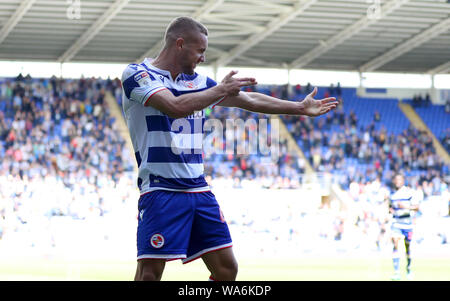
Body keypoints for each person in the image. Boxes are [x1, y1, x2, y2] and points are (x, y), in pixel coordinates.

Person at [120, 16, 339, 281]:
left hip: (198, 189)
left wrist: (298, 108)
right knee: (149, 275)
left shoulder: (199, 83)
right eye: (200, 51)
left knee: (227, 269)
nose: (202, 58)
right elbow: (174, 107)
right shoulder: (138, 74)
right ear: (180, 44)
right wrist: (220, 90)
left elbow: (248, 99)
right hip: (160, 189)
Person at [387, 173, 420, 281]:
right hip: (396, 223)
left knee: (407, 248)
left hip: (407, 224)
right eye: (395, 179)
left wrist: (406, 207)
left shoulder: (409, 193)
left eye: (399, 180)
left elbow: (417, 207)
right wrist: (390, 210)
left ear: (403, 181)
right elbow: (390, 207)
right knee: (395, 243)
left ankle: (408, 269)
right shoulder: (392, 194)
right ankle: (396, 272)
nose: (397, 181)